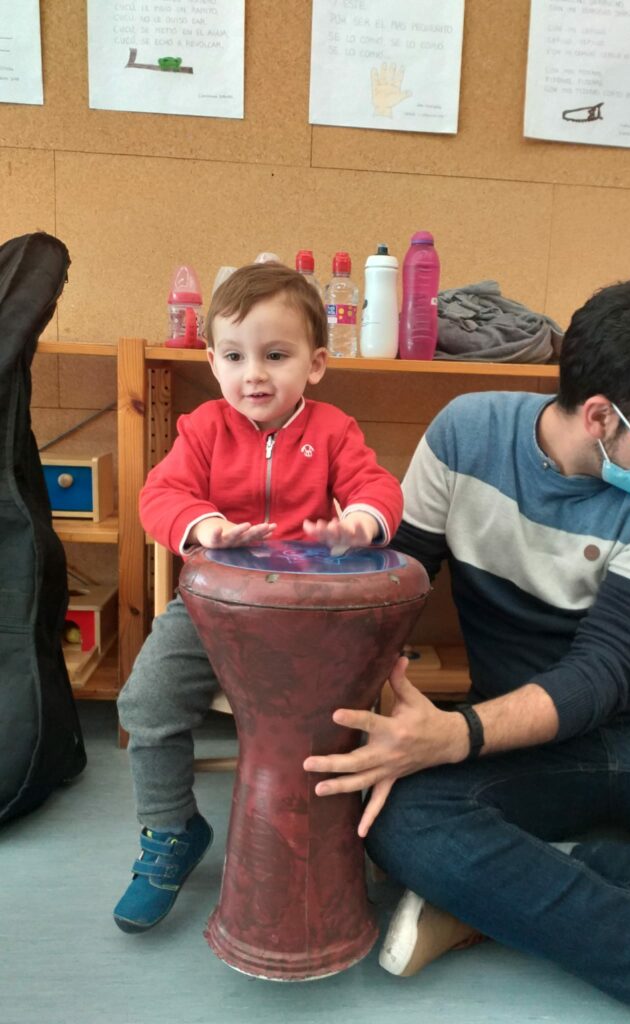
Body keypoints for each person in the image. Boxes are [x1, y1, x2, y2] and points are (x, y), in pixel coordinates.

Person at [304, 276, 630, 1024]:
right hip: (520, 732)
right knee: (403, 824)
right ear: (600, 415)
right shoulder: (466, 433)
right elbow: (399, 588)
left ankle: (543, 878)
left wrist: (453, 735)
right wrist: (345, 587)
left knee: (459, 853)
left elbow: (601, 676)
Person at [114, 262, 403, 933]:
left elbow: (379, 488)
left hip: (307, 615)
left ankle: (342, 833)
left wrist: (360, 523)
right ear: (212, 361)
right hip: (210, 608)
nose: (254, 376)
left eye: (276, 356)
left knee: (335, 716)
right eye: (235, 356)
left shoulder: (332, 430)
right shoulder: (203, 429)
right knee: (146, 703)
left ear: (315, 363)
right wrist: (205, 526)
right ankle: (171, 830)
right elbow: (160, 496)